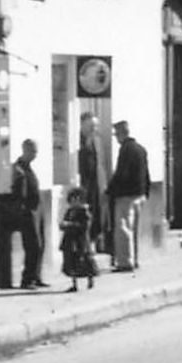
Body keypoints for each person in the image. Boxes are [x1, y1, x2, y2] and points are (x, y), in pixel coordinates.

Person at [106, 120, 150, 272]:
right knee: (135, 229)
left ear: (121, 134)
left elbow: (122, 174)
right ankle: (135, 259)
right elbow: (147, 173)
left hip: (126, 195)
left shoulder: (125, 150)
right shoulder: (141, 149)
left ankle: (125, 262)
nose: (116, 138)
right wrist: (146, 191)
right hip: (140, 194)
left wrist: (110, 190)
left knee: (124, 228)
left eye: (116, 135)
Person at [11, 138, 47, 289]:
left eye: (36, 152)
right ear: (25, 150)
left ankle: (36, 276)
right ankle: (27, 279)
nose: (35, 155)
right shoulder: (18, 168)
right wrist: (23, 208)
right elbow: (18, 191)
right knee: (33, 246)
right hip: (27, 211)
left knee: (40, 244)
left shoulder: (28, 168)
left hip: (36, 209)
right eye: (33, 151)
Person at [58, 186, 98, 292]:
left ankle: (90, 280)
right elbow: (63, 223)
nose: (74, 202)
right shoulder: (69, 211)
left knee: (85, 261)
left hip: (81, 241)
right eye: (72, 200)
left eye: (77, 199)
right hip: (70, 241)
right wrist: (63, 225)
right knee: (72, 262)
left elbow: (84, 226)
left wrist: (70, 225)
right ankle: (74, 283)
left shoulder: (84, 212)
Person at [78, 113, 105, 252]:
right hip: (83, 184)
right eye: (91, 126)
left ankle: (94, 242)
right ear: (82, 124)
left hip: (95, 183)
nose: (94, 129)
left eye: (96, 126)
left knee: (96, 212)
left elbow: (99, 162)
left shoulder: (96, 140)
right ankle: (86, 245)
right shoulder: (77, 140)